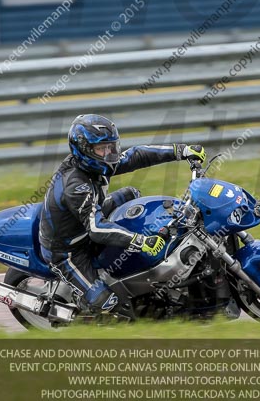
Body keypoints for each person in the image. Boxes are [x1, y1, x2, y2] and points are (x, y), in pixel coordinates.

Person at [38, 113, 206, 317]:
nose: (109, 153)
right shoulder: (75, 185)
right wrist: (140, 241)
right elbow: (96, 229)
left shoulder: (97, 162)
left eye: (111, 146)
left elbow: (137, 155)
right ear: (83, 149)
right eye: (102, 148)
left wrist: (181, 151)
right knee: (108, 305)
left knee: (131, 194)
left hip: (88, 217)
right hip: (68, 250)